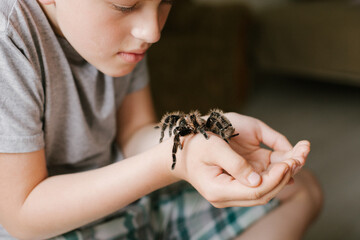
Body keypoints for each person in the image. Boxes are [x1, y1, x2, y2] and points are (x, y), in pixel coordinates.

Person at [0, 0, 323, 239]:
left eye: (166, 1)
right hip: (53, 226)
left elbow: (135, 133)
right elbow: (21, 213)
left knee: (299, 190)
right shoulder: (9, 37)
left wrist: (201, 138)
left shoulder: (128, 40)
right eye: (126, 6)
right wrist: (171, 163)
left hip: (127, 201)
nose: (152, 31)